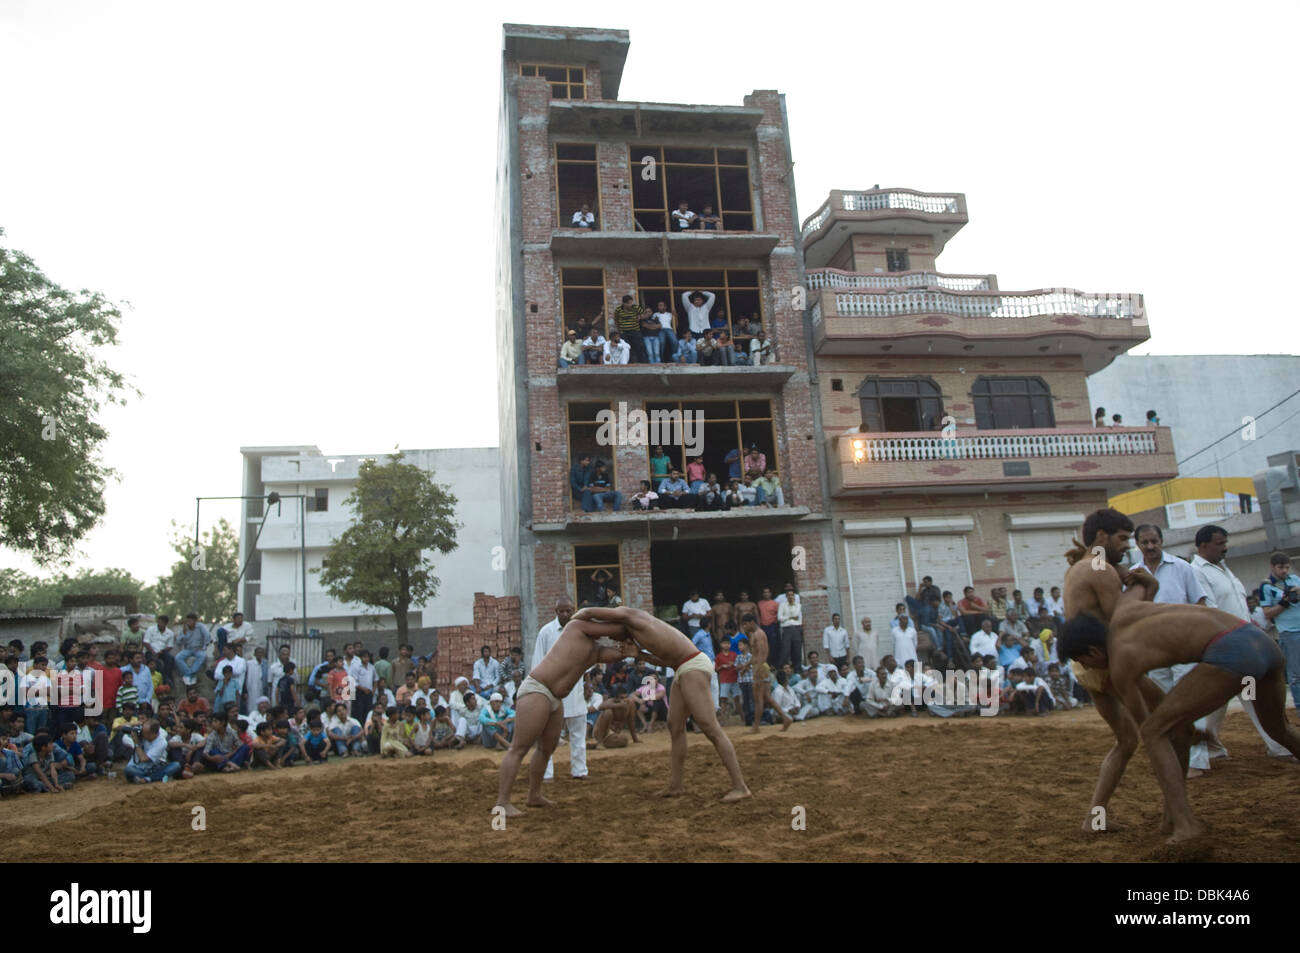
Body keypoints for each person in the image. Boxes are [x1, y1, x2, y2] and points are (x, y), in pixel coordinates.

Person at [1062, 597, 1300, 843]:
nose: (1087, 668)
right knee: (1280, 730)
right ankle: (1172, 817)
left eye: (1084, 662)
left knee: (1154, 733)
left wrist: (1186, 730)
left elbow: (1150, 728)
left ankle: (1185, 824)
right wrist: (1186, 730)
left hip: (1231, 651)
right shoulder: (1127, 613)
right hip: (1262, 642)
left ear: (1093, 651)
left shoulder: (1121, 661)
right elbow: (1145, 586)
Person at [573, 605, 752, 802]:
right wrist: (639, 654)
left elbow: (591, 612)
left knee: (709, 726)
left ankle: (740, 786)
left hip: (693, 664)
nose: (616, 641)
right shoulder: (640, 632)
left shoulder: (633, 617)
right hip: (681, 667)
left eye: (614, 636)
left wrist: (575, 621)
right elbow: (667, 661)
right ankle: (676, 785)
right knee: (674, 725)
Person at [493, 614, 635, 816]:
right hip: (538, 690)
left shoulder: (592, 651)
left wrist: (629, 651)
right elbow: (615, 630)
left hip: (555, 698)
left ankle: (534, 795)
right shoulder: (576, 627)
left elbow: (615, 653)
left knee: (546, 748)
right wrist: (633, 625)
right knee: (519, 748)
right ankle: (502, 803)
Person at [532, 597, 592, 783]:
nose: (565, 614)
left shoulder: (582, 631)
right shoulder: (546, 632)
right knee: (549, 736)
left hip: (575, 690)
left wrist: (588, 682)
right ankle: (547, 773)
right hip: (552, 690)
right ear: (555, 611)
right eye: (561, 611)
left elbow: (587, 658)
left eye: (568, 611)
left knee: (578, 734)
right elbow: (538, 662)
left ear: (573, 610)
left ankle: (580, 771)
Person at [1260, 551, 1300, 713]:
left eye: (1287, 567)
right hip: (1289, 632)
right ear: (1273, 567)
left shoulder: (1295, 579)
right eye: (1281, 567)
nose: (1284, 571)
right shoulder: (1267, 585)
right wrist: (1284, 603)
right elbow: (1267, 614)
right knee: (1296, 674)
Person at [778, 588, 804, 669]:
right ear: (786, 596)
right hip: (787, 629)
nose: (790, 597)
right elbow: (779, 618)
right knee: (786, 650)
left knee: (797, 650)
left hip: (796, 628)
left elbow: (797, 616)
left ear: (794, 596)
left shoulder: (798, 605)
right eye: (788, 595)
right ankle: (785, 669)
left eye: (792, 595)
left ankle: (797, 669)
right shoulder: (782, 605)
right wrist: (790, 617)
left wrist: (786, 617)